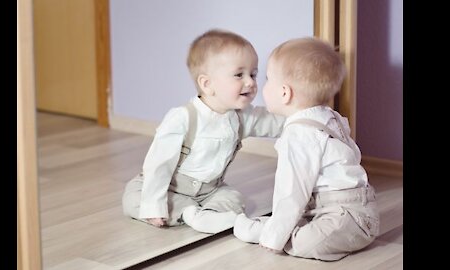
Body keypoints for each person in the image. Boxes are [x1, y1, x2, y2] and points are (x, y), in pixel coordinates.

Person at [122, 29, 285, 234]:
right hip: (170, 187)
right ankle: (189, 213)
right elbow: (159, 165)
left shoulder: (243, 116)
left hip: (210, 190)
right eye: (239, 75)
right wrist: (154, 204)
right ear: (207, 84)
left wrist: (306, 116)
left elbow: (275, 122)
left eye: (253, 74)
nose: (251, 82)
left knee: (234, 198)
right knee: (133, 198)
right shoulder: (183, 117)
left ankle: (205, 215)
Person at [233, 37, 379, 261]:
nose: (261, 85)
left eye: (268, 79)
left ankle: (265, 229)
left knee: (302, 242)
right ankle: (280, 225)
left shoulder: (299, 134)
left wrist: (273, 240)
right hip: (364, 211)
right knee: (300, 221)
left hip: (343, 217)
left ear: (285, 93)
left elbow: (291, 193)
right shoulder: (329, 117)